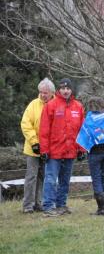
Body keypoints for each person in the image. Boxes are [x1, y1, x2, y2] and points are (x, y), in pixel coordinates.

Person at [39, 78, 85, 217]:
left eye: (68, 88)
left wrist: (81, 149)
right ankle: (48, 206)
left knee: (65, 180)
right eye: (63, 88)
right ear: (59, 90)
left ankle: (61, 205)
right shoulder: (51, 105)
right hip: (54, 151)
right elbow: (44, 130)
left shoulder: (78, 107)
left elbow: (82, 131)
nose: (65, 91)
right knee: (51, 179)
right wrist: (44, 150)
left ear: (71, 90)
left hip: (70, 151)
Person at [20, 78, 55, 213]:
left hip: (49, 148)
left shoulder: (56, 104)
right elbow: (26, 124)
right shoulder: (33, 104)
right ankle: (28, 205)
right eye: (40, 92)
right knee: (31, 176)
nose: (42, 95)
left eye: (45, 92)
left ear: (51, 92)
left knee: (44, 176)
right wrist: (34, 142)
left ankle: (39, 202)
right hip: (32, 148)